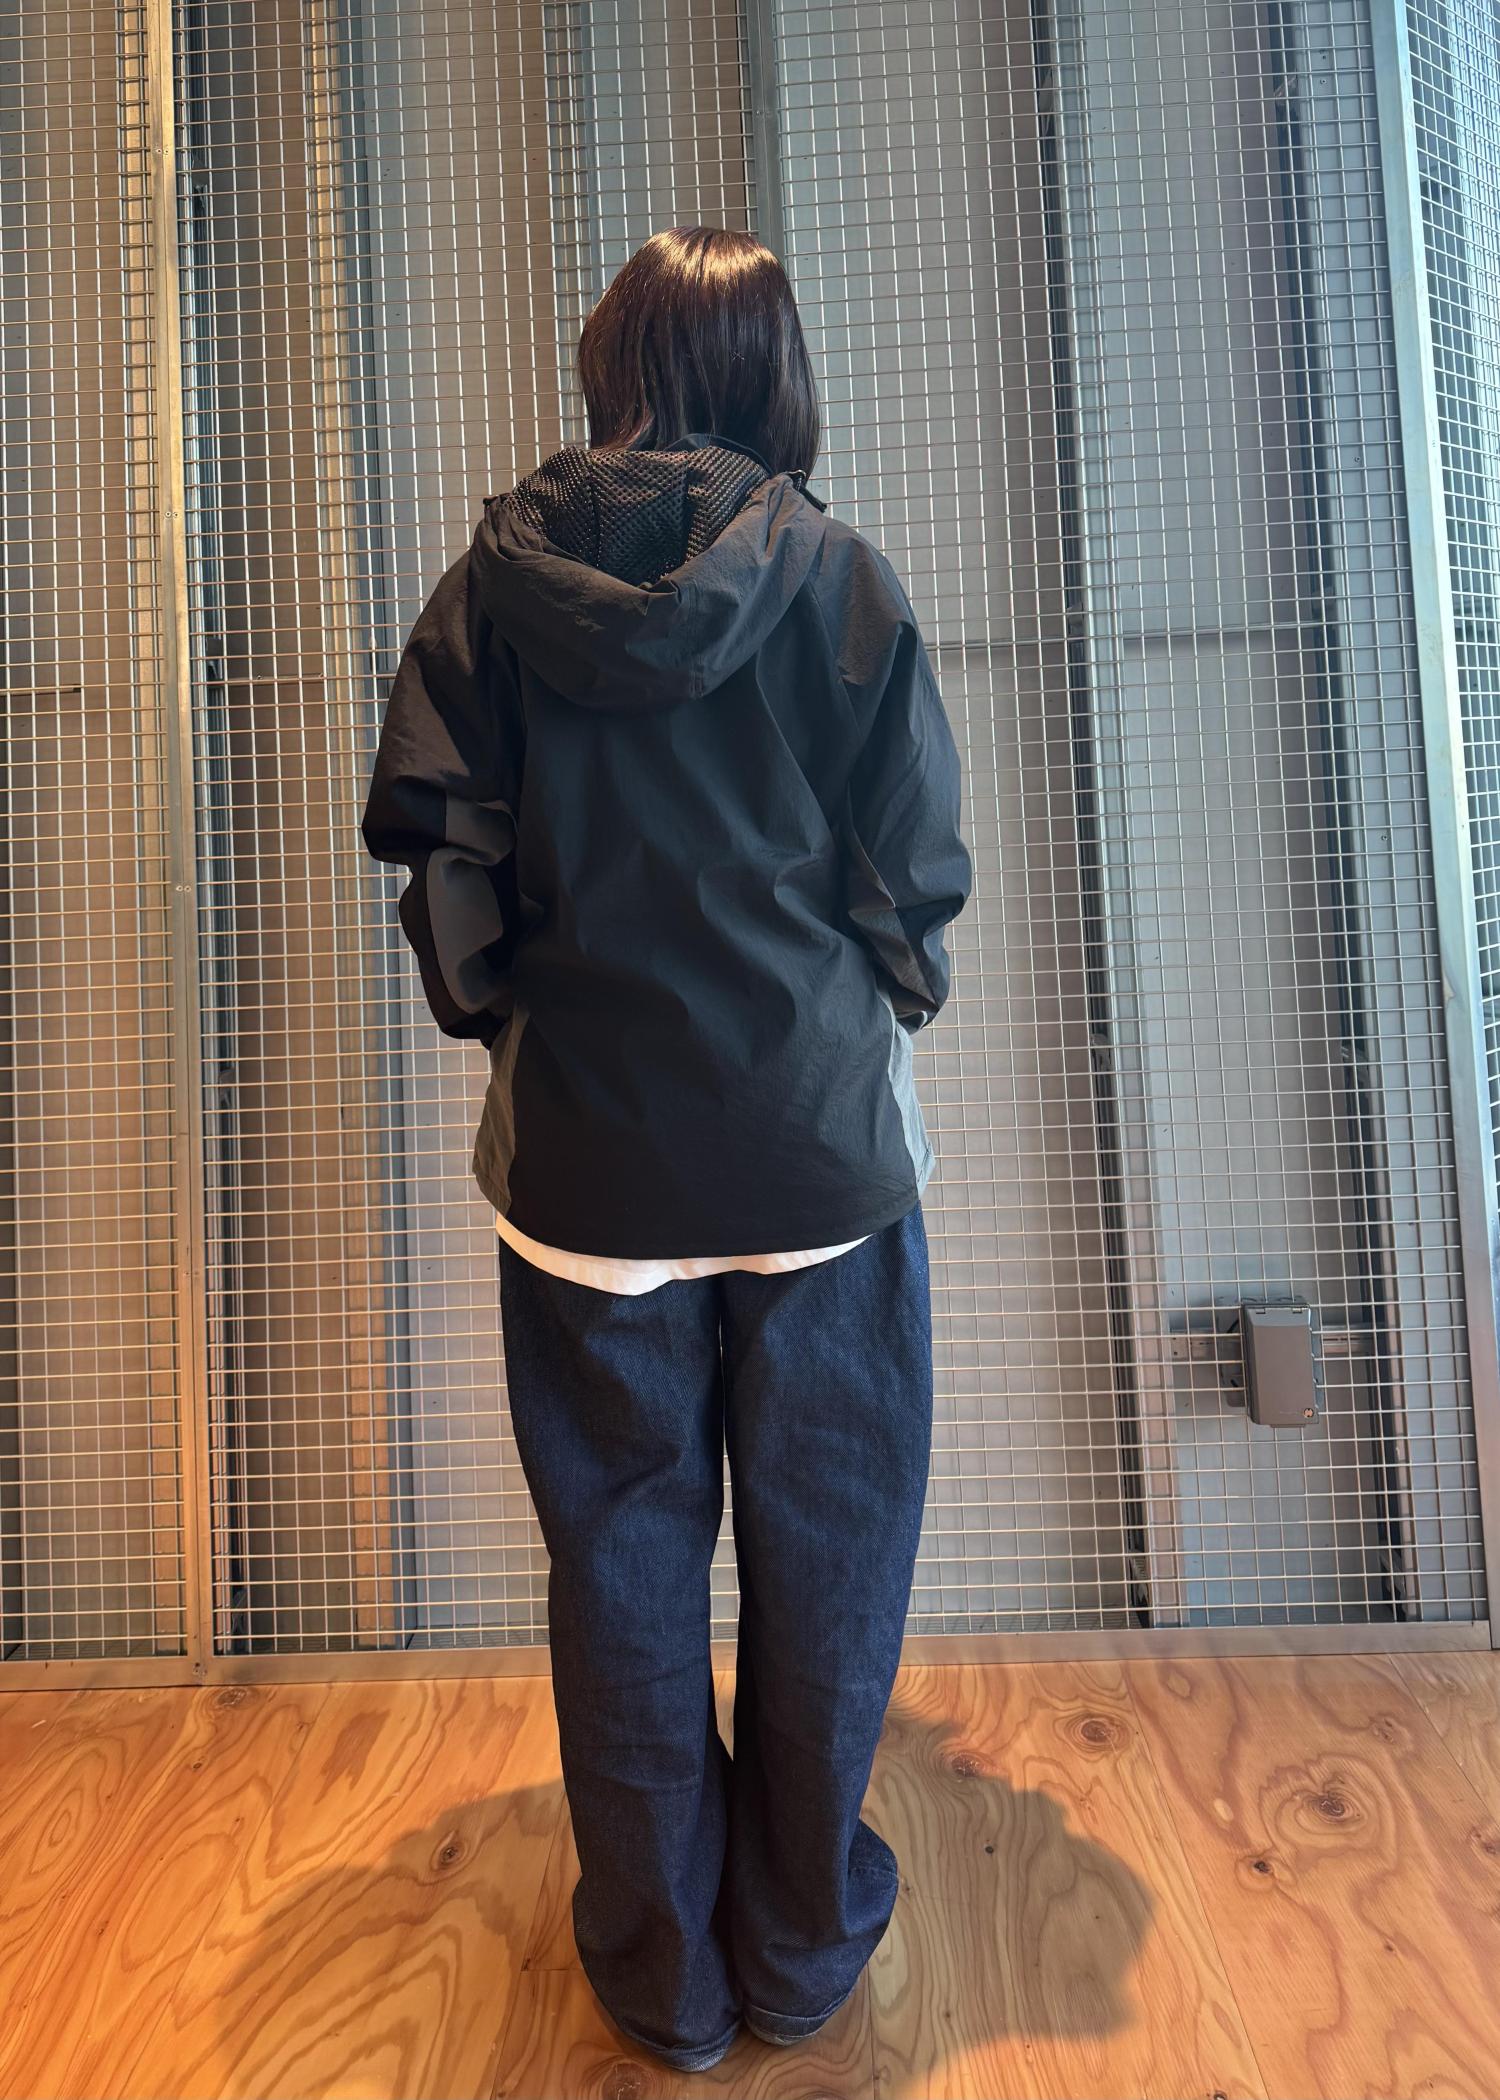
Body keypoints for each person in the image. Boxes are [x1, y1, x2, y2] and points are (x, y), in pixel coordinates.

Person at [360, 224, 971, 2074]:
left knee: (621, 1562)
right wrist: (859, 1012)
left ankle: (663, 1979)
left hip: (588, 1174)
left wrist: (512, 1020)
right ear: (775, 370)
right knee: (833, 1549)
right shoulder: (837, 578)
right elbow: (915, 870)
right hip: (815, 1165)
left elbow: (438, 847)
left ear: (611, 360)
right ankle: (799, 1949)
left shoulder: (492, 588)